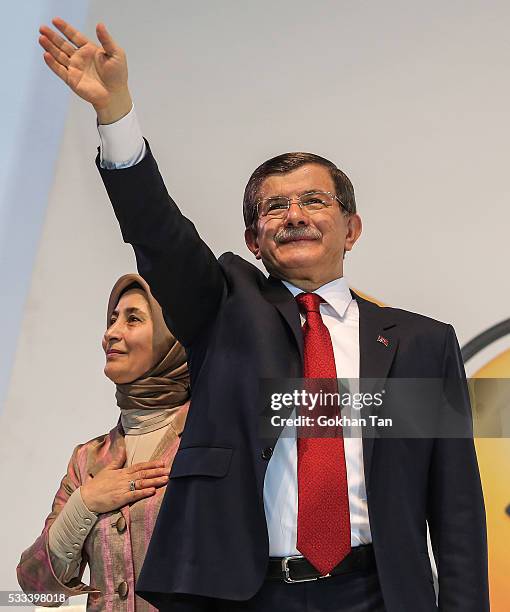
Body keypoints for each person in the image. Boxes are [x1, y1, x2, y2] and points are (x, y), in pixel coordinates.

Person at [37, 18, 489, 612]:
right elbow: (159, 233)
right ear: (254, 239)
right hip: (245, 596)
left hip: (379, 594)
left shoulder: (422, 345)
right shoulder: (224, 308)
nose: (294, 214)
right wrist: (116, 114)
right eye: (275, 207)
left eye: (314, 200)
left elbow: (455, 507)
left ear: (351, 228)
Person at [17, 274, 190, 611]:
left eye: (134, 319)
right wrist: (85, 501)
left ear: (172, 337)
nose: (111, 333)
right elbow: (37, 589)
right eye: (112, 320)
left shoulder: (208, 435)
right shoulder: (87, 460)